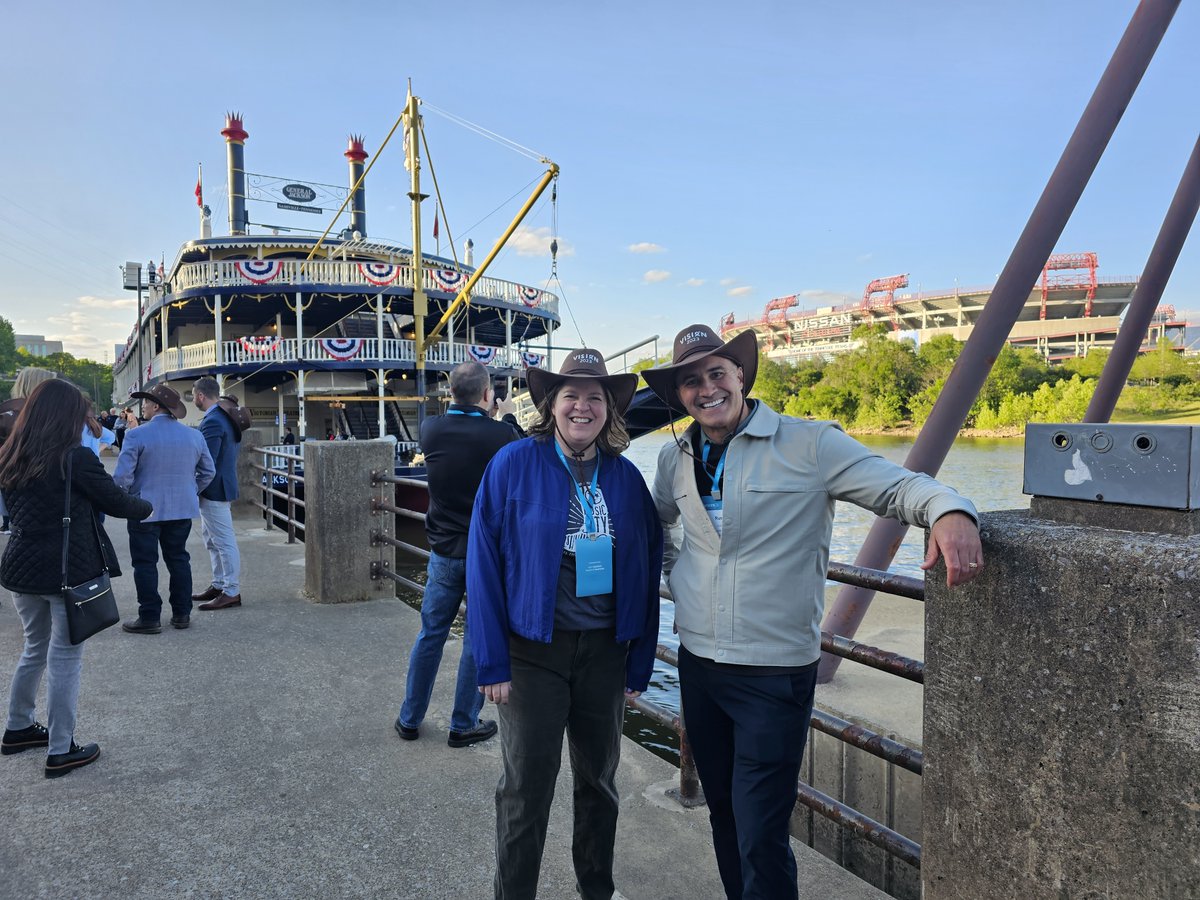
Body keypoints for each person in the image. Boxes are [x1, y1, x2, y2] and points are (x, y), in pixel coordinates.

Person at [643, 324, 984, 900]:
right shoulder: (673, 459)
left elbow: (897, 488)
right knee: (723, 811)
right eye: (691, 381)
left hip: (774, 670)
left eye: (717, 373)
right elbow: (657, 525)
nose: (707, 389)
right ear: (680, 395)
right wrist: (678, 577)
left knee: (761, 831)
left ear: (741, 376)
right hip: (699, 663)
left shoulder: (811, 443)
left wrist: (950, 510)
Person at [467, 349, 663, 900]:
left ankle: (595, 889)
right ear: (551, 405)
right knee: (525, 788)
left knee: (599, 782)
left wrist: (640, 660)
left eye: (595, 397)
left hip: (604, 654)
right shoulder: (513, 464)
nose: (582, 406)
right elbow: (483, 563)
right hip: (532, 654)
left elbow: (646, 569)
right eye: (570, 395)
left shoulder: (626, 478)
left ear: (609, 410)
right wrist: (492, 662)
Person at [0, 379, 152, 777]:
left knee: (34, 648)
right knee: (66, 657)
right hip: (67, 569)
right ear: (68, 416)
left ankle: (18, 727)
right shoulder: (74, 457)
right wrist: (148, 506)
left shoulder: (9, 453)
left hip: (22, 567)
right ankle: (61, 747)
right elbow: (116, 502)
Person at [395, 363, 520, 749]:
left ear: (451, 393)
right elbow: (521, 450)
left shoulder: (431, 429)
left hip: (443, 553)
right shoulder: (500, 435)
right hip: (486, 558)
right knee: (476, 638)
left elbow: (463, 425)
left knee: (430, 634)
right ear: (487, 394)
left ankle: (409, 718)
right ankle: (463, 723)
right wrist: (507, 414)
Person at [114, 384, 215, 634]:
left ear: (156, 406)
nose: (143, 407)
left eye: (146, 403)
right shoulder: (194, 436)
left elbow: (122, 478)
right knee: (179, 559)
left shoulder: (136, 435)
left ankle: (149, 616)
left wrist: (126, 498)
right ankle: (182, 613)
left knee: (145, 563)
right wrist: (191, 490)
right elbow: (208, 472)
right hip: (181, 507)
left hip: (143, 508)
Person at [190, 377, 243, 612]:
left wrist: (194, 486)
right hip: (221, 485)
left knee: (223, 541)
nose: (193, 399)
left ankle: (231, 591)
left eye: (193, 395)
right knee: (212, 540)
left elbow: (206, 461)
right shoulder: (223, 417)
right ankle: (220, 584)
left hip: (213, 488)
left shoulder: (212, 421)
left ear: (201, 395)